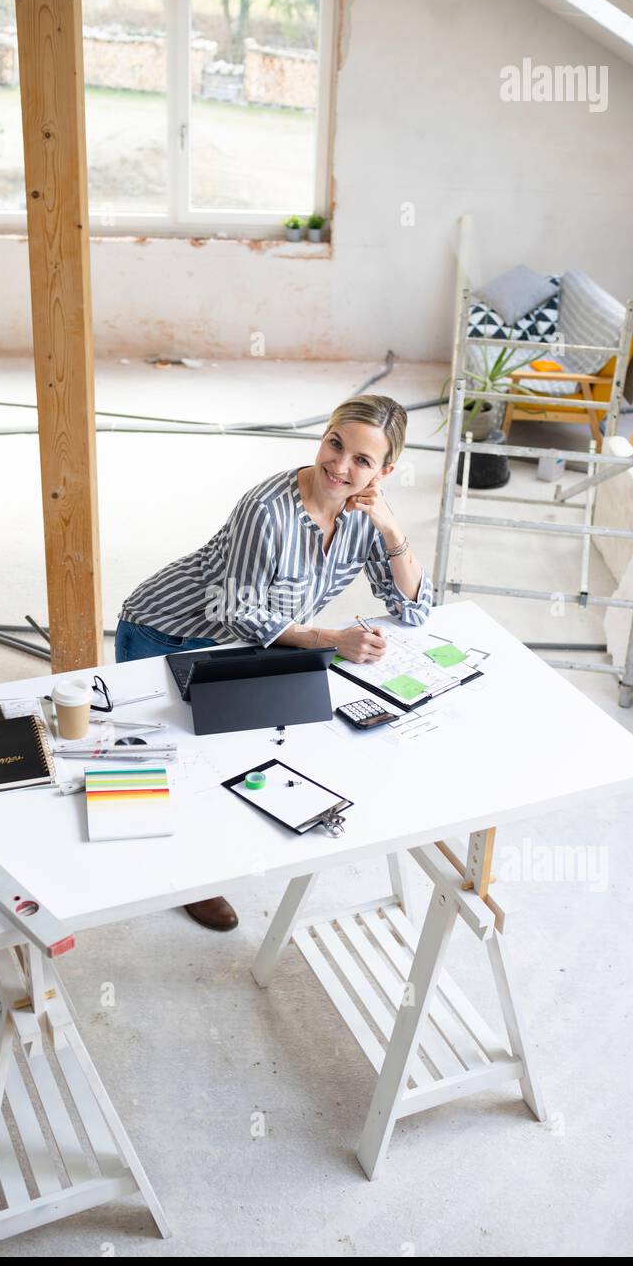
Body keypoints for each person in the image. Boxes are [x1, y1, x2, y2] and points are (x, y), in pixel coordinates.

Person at [115, 394, 432, 931]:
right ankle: (180, 875)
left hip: (251, 644)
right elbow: (241, 614)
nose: (340, 465)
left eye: (362, 460)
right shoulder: (268, 508)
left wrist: (391, 528)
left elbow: (415, 607)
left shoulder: (365, 515)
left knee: (237, 747)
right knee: (171, 760)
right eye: (335, 444)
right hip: (165, 631)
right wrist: (327, 640)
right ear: (324, 434)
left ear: (385, 472)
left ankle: (204, 855)